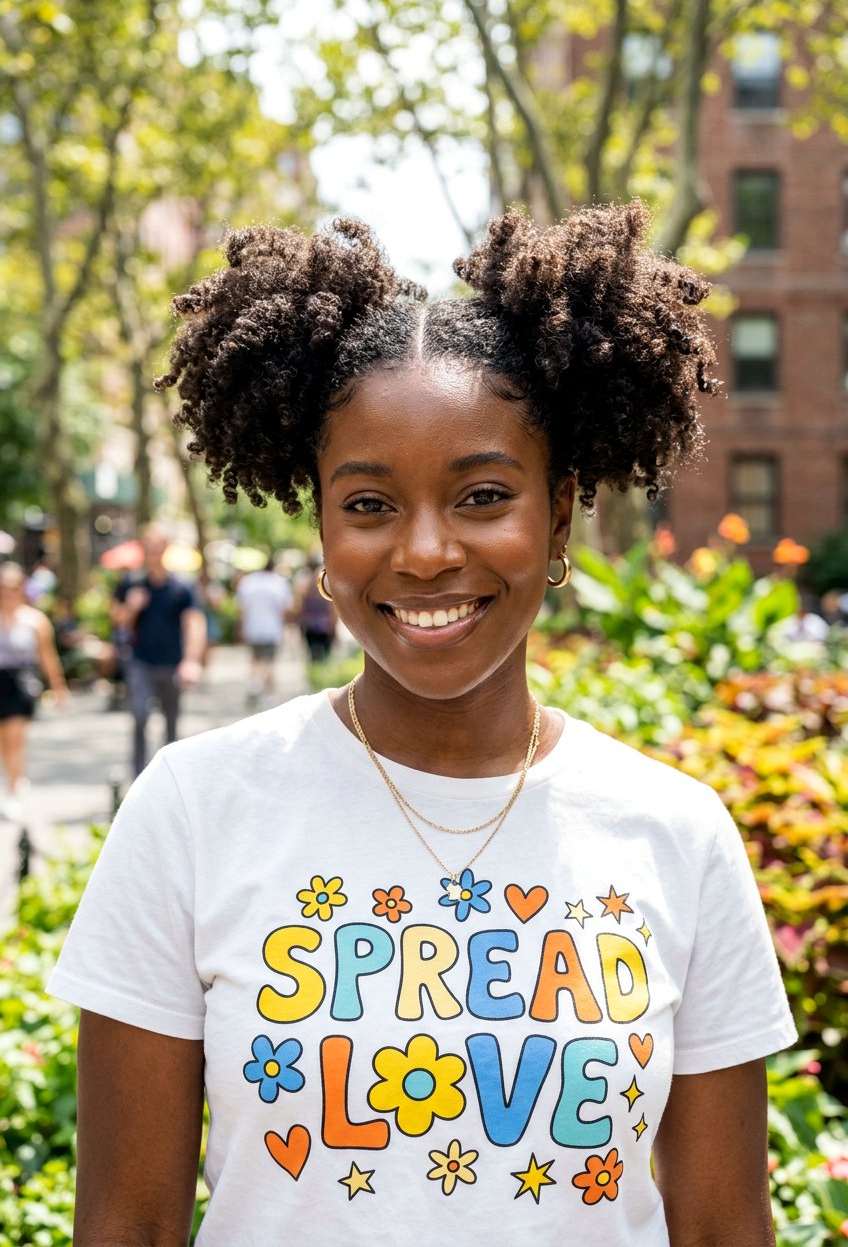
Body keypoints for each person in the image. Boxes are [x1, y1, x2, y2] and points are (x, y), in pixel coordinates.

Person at [50, 206, 796, 1245]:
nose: (426, 551)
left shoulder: (675, 830)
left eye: (483, 495)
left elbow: (722, 1228)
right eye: (368, 505)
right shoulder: (193, 808)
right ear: (321, 525)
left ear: (559, 514)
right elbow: (126, 1225)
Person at [110, 525, 206, 777]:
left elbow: (194, 623)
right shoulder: (131, 583)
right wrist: (132, 607)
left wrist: (192, 661)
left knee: (171, 721)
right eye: (149, 545)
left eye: (158, 545)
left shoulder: (182, 587)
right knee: (139, 715)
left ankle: (168, 777)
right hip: (140, 660)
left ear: (166, 547)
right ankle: (138, 776)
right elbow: (117, 620)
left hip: (172, 662)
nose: (153, 550)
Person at [0, 561, 68, 821]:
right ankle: (12, 777)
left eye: (13, 588)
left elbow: (48, 657)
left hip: (21, 683)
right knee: (3, 739)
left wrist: (59, 687)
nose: (8, 594)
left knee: (15, 736)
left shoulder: (35, 620)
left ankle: (14, 787)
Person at [235, 557, 293, 703]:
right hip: (272, 628)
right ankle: (266, 694)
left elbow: (241, 608)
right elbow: (285, 608)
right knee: (270, 661)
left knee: (255, 659)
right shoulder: (279, 583)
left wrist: (240, 627)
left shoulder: (248, 582)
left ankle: (254, 683)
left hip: (252, 627)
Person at [293, 556, 338, 662]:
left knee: (313, 654)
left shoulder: (304, 578)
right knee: (325, 654)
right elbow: (332, 606)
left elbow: (299, 603)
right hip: (323, 623)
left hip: (311, 623)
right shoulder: (326, 578)